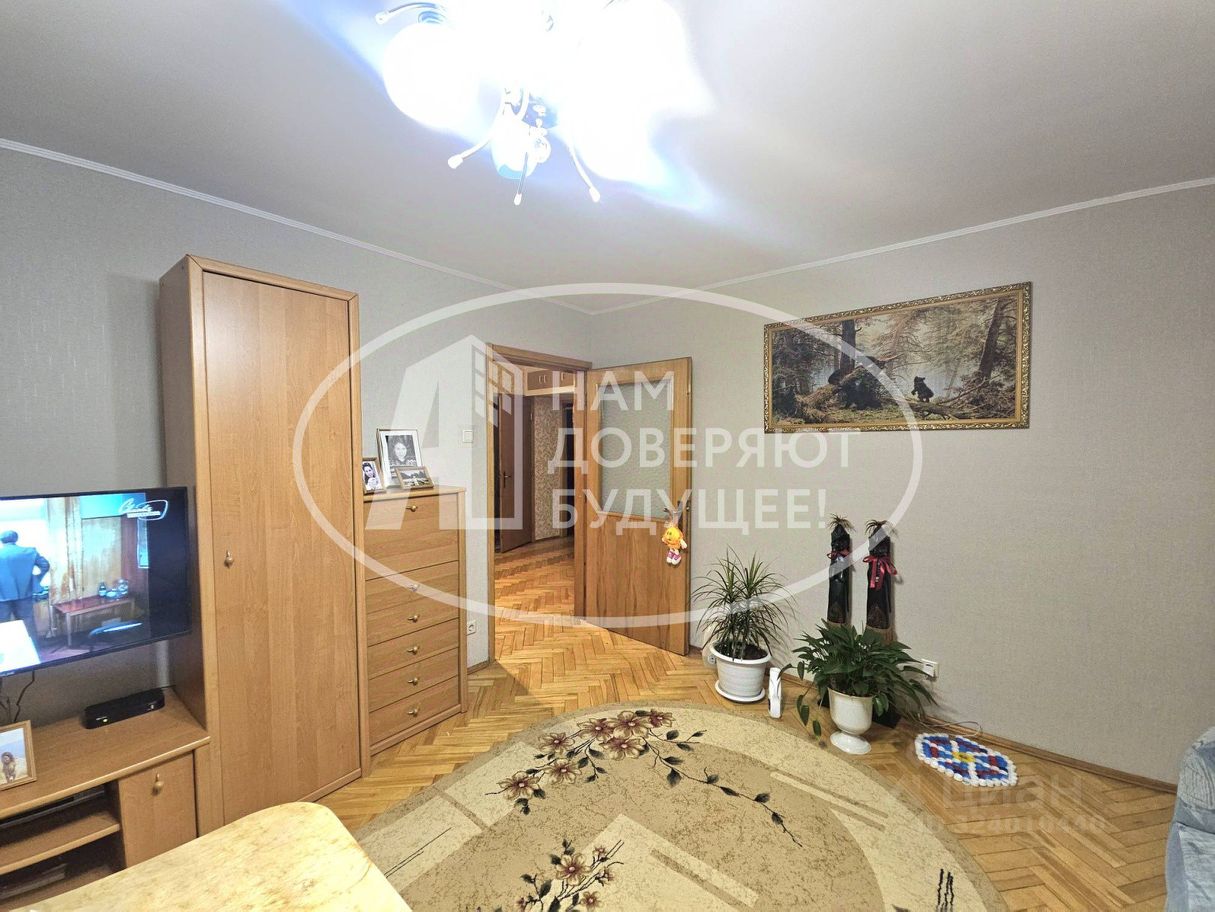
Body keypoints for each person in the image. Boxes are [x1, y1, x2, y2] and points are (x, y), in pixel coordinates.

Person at [0, 530, 50, 643]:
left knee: (2, 626)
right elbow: (45, 565)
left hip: (1, 597)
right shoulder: (29, 552)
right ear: (16, 539)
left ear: (1, 540)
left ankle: (5, 651)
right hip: (25, 594)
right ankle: (34, 650)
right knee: (28, 624)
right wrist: (36, 579)